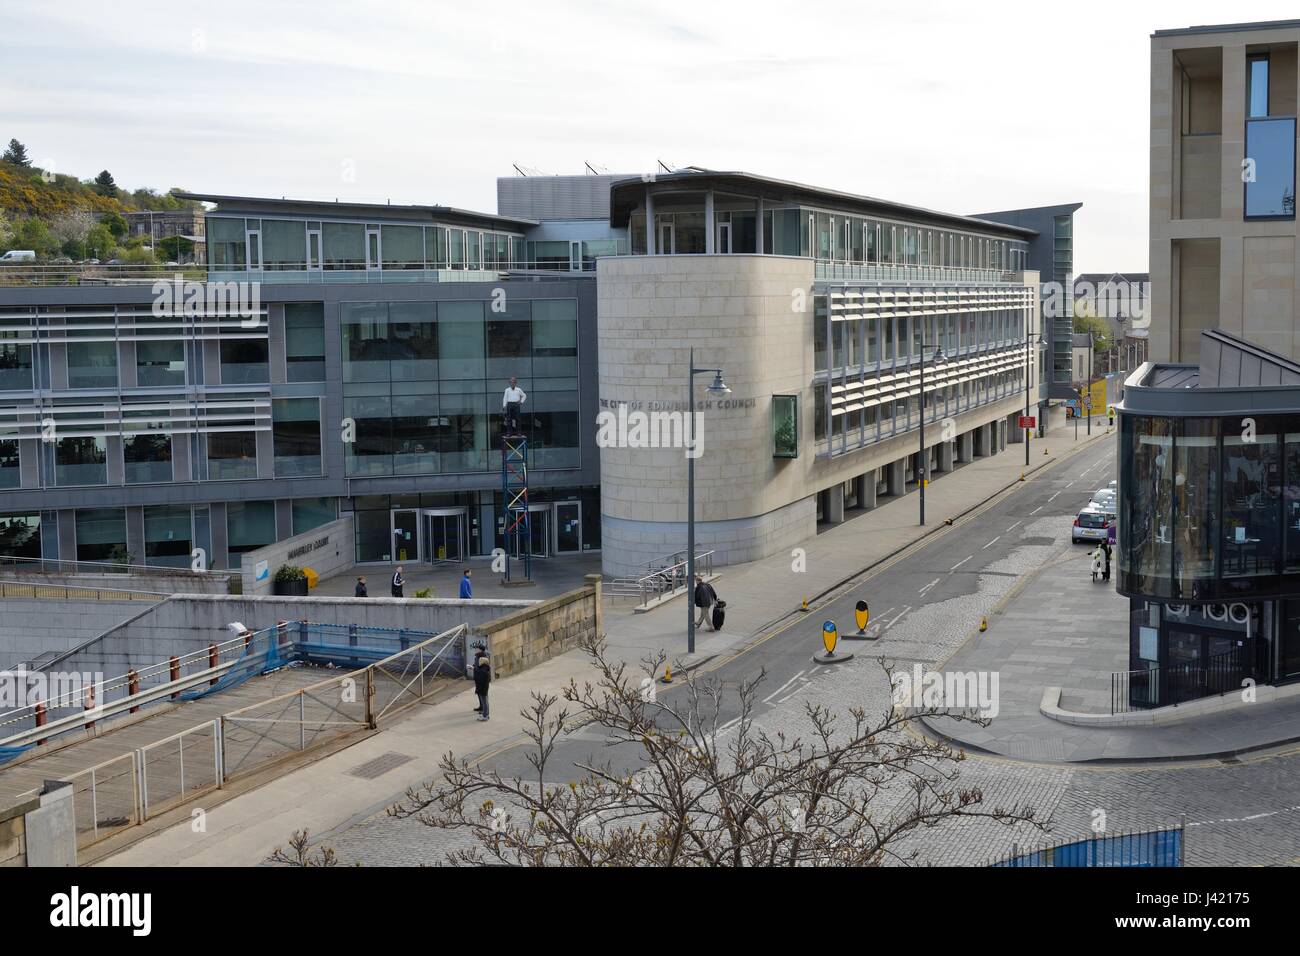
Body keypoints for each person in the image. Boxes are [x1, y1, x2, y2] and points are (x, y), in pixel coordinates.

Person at [473, 648, 492, 721]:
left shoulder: (484, 670)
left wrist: (474, 669)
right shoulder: (483, 668)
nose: (478, 662)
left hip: (483, 687)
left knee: (484, 701)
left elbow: (481, 676)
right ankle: (484, 714)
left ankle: (485, 715)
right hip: (481, 686)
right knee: (484, 700)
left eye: (479, 661)